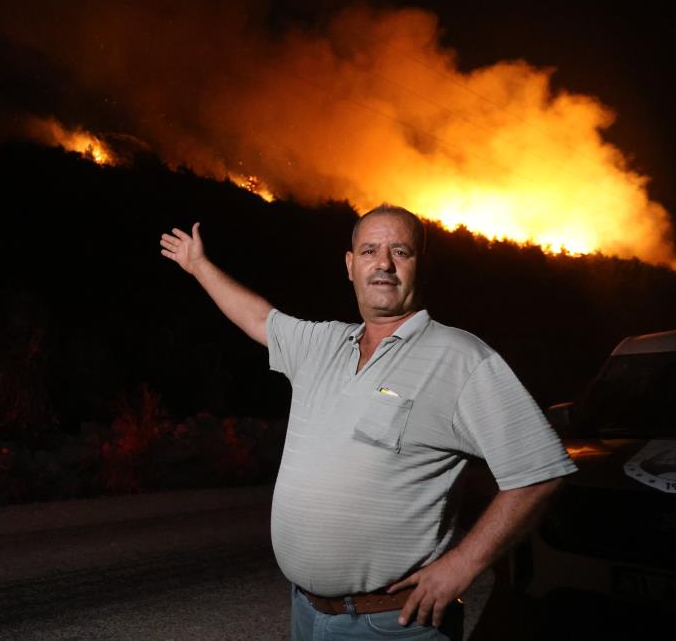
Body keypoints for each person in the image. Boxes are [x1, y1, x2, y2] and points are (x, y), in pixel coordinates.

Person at [159, 204, 576, 640]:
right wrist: (199, 265)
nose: (384, 264)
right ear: (350, 265)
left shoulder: (460, 358)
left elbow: (540, 471)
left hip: (392, 624)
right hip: (307, 613)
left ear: (421, 265)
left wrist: (463, 564)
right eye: (370, 250)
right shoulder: (322, 343)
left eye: (400, 252)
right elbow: (258, 317)